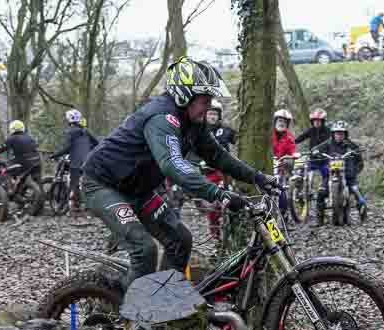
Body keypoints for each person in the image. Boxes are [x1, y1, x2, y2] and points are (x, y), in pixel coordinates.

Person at [81, 55, 278, 290]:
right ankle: (134, 320)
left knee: (180, 240)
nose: (208, 107)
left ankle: (164, 306)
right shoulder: (163, 118)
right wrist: (218, 193)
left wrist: (257, 177)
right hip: (103, 185)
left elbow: (217, 156)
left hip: (137, 190)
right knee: (144, 249)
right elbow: (172, 164)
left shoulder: (193, 121)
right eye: (205, 100)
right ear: (185, 96)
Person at [50, 109, 99, 212]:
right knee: (85, 183)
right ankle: (86, 205)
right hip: (88, 161)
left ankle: (72, 207)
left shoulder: (70, 131)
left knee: (74, 184)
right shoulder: (85, 131)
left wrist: (55, 155)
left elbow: (66, 148)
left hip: (76, 163)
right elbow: (97, 143)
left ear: (69, 119)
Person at [203, 99, 237, 239]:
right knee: (213, 206)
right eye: (209, 114)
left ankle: (234, 230)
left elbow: (239, 140)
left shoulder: (226, 130)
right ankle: (215, 235)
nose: (212, 117)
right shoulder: (199, 130)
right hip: (208, 172)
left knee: (232, 201)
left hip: (225, 172)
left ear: (219, 116)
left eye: (215, 114)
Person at [323, 120, 367, 221]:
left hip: (348, 175)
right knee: (321, 192)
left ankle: (363, 215)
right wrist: (315, 151)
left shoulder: (351, 145)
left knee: (357, 192)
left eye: (341, 133)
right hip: (331, 174)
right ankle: (319, 218)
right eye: (337, 133)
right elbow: (317, 149)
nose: (339, 135)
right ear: (333, 134)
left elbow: (360, 160)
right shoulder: (328, 143)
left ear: (345, 134)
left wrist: (355, 170)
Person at [295, 109, 333, 225]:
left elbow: (332, 142)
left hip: (324, 159)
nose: (316, 123)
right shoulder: (311, 130)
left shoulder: (328, 131)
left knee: (327, 176)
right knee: (301, 171)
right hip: (312, 159)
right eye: (314, 121)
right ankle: (301, 191)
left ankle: (325, 194)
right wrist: (292, 142)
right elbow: (300, 138)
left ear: (323, 121)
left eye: (319, 121)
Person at [272, 108, 295, 219]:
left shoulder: (289, 137)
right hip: (268, 164)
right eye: (280, 121)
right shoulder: (268, 135)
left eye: (284, 122)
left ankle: (283, 212)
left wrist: (290, 157)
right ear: (275, 121)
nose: (281, 123)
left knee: (281, 188)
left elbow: (292, 152)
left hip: (281, 167)